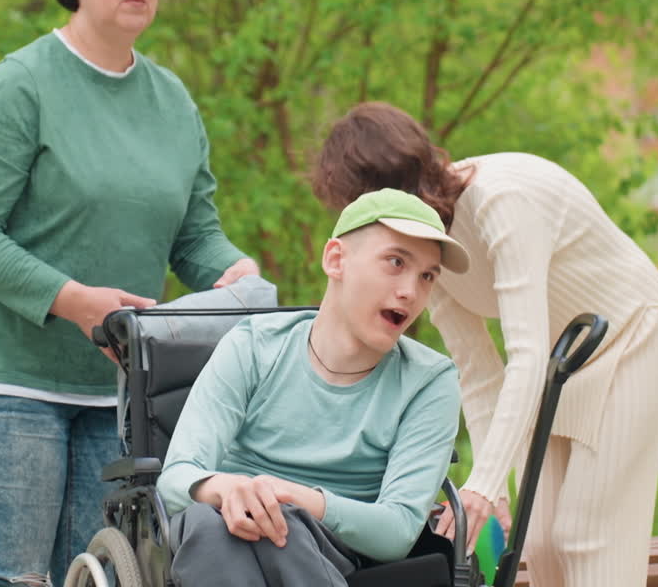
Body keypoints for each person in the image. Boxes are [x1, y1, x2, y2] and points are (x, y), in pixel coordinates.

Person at [0, 0, 259, 587]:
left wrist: (232, 270)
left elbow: (194, 237)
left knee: (107, 576)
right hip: (4, 382)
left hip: (121, 392)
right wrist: (73, 300)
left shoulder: (174, 103)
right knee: (7, 576)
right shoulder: (21, 86)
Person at [311, 102, 658, 587]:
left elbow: (525, 354)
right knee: (542, 542)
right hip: (565, 365)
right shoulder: (428, 247)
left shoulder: (500, 201)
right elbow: (479, 374)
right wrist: (498, 496)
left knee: (586, 536)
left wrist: (484, 485)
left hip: (631, 336)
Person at [157, 189, 468, 587]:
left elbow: (397, 530)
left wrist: (289, 497)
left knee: (274, 526)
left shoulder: (430, 381)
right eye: (396, 262)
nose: (411, 291)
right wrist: (229, 488)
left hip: (337, 553)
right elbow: (176, 478)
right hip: (224, 528)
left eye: (427, 276)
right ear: (336, 260)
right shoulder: (253, 344)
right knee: (208, 521)